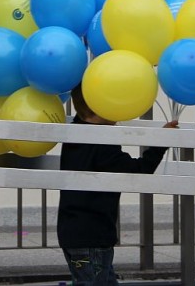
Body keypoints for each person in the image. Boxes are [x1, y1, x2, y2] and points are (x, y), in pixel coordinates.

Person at [57, 83, 178, 285]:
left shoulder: (76, 132)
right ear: (99, 108)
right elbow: (139, 170)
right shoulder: (103, 144)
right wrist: (161, 142)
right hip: (93, 235)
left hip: (74, 231)